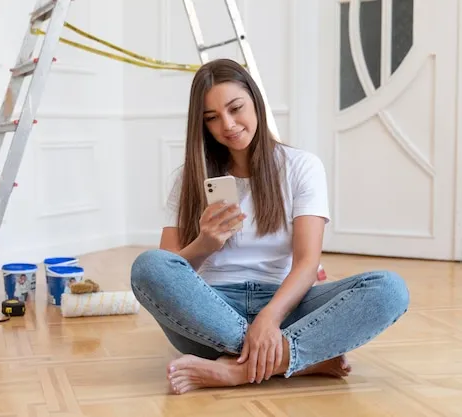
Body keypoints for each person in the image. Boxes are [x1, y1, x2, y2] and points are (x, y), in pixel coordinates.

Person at [129, 58, 410, 395]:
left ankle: (239, 370)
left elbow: (307, 264)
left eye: (236, 108)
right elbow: (167, 270)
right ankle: (297, 358)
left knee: (389, 289)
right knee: (147, 266)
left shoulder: (301, 167)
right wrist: (205, 243)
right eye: (212, 118)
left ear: (255, 102)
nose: (228, 125)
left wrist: (268, 319)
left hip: (286, 305)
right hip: (211, 314)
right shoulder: (188, 179)